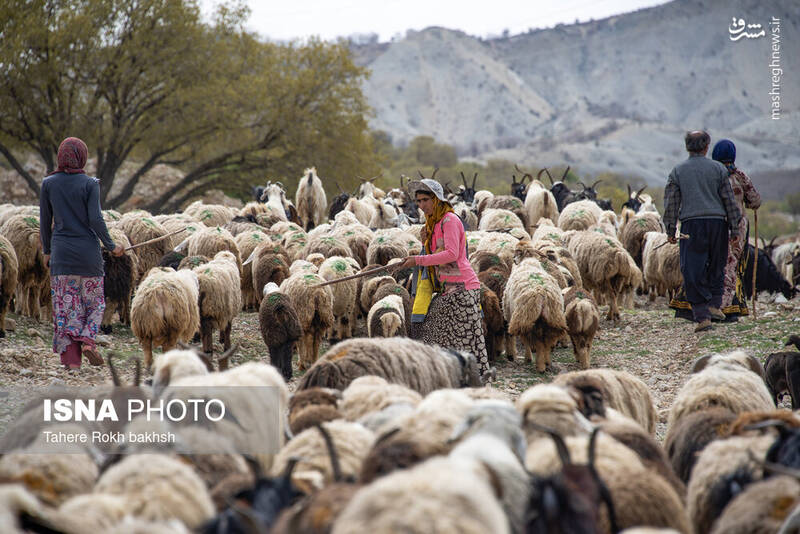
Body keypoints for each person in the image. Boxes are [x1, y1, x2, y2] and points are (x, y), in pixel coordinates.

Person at [392, 178, 490, 379]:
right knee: (439, 338)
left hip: (464, 290)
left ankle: (469, 385)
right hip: (449, 289)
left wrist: (418, 260)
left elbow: (452, 254)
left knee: (459, 344)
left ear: (436, 199)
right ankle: (450, 380)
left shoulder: (449, 221)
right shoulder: (433, 224)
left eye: (425, 200)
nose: (421, 205)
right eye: (418, 201)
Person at [39, 137, 124, 370]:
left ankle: (72, 362)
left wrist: (47, 251)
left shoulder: (49, 183)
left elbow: (45, 221)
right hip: (88, 255)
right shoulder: (90, 184)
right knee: (94, 303)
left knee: (66, 308)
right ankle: (87, 340)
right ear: (82, 157)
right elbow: (96, 219)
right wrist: (111, 245)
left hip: (61, 254)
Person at [664, 131, 742, 332]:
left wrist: (670, 229)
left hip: (692, 225)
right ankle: (714, 304)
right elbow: (729, 200)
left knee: (692, 269)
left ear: (687, 146)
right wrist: (734, 227)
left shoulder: (678, 171)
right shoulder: (718, 169)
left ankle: (702, 316)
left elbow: (671, 204)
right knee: (717, 264)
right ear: (707, 147)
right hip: (718, 224)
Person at [711, 139, 761, 321]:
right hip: (737, 227)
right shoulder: (740, 176)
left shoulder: (710, 175)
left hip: (714, 225)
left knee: (714, 263)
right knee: (731, 264)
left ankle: (710, 306)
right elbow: (755, 201)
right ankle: (726, 307)